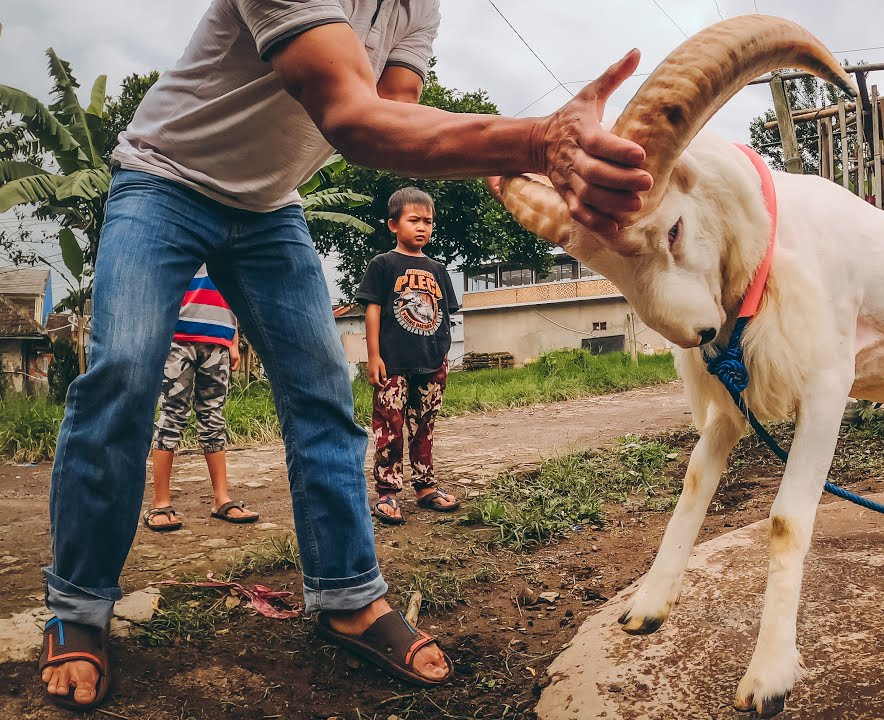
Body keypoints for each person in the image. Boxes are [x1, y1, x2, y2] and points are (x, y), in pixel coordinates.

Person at [39, 0, 652, 711]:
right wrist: (536, 140)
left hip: (270, 205)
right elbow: (351, 121)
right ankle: (79, 609)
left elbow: (394, 116)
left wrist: (504, 157)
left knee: (324, 390)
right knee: (123, 373)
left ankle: (347, 597)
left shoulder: (419, 6)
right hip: (165, 179)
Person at [357, 188, 460, 525]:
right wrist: (373, 356)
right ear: (393, 224)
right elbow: (372, 311)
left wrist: (442, 355)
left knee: (424, 426)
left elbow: (445, 313)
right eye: (413, 220)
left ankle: (425, 486)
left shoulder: (438, 269)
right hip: (393, 362)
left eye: (428, 222)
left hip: (431, 362)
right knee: (390, 426)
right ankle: (387, 492)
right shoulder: (383, 264)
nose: (422, 227)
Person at [143, 265, 258, 532]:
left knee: (213, 415)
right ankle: (160, 501)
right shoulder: (184, 234)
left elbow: (231, 290)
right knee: (171, 415)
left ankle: (222, 498)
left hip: (218, 337)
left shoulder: (229, 239)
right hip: (177, 337)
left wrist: (233, 338)